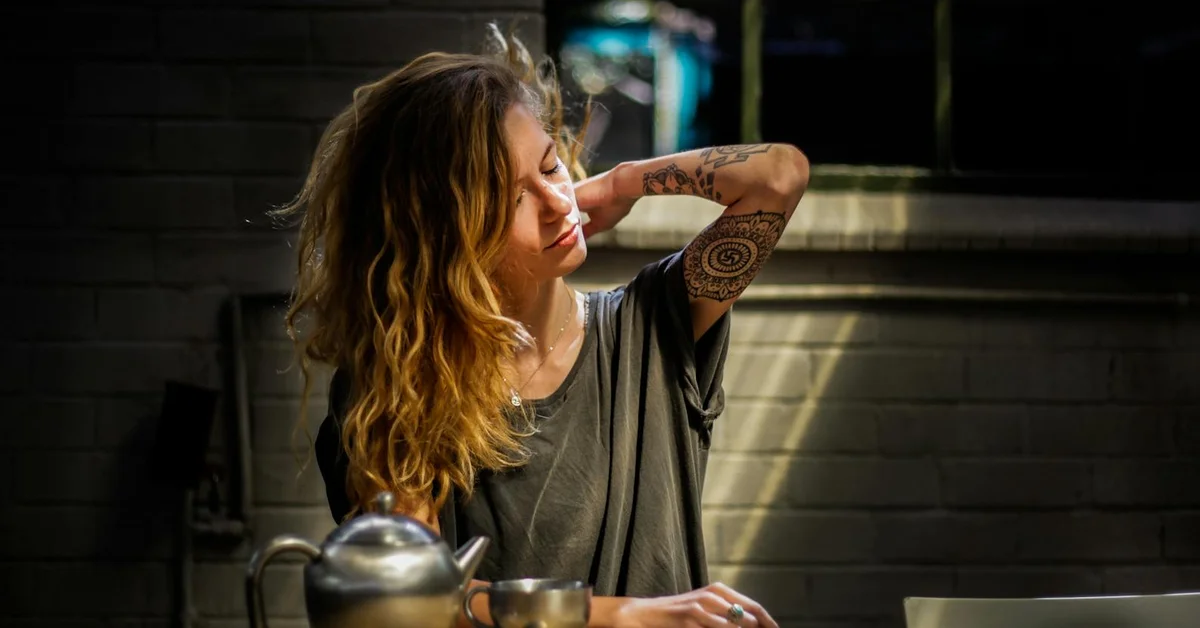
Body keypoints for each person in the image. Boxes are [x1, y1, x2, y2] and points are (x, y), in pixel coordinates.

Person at [276, 24, 808, 628]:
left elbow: (778, 177)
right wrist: (626, 615)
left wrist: (622, 181)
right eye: (512, 199)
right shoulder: (396, 388)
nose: (557, 202)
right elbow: (411, 603)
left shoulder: (653, 327)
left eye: (552, 167)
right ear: (447, 238)